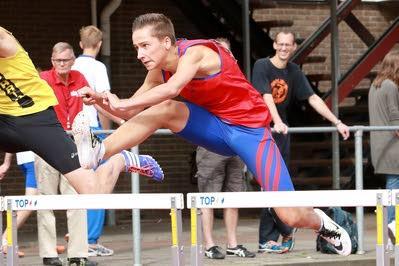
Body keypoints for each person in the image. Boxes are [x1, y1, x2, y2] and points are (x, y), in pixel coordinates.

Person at [73, 13, 352, 256]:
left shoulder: (196, 53)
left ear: (167, 42)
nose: (140, 54)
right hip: (213, 128)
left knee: (289, 214)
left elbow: (171, 90)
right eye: (136, 47)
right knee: (166, 109)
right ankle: (100, 151)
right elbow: (129, 114)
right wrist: (100, 99)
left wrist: (121, 101)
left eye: (145, 46)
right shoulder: (158, 71)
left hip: (250, 132)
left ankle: (325, 224)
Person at [0, 25, 163, 264]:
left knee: (92, 194)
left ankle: (120, 160)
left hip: (34, 119)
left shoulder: (3, 37)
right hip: (4, 119)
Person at [251, 31, 350, 254]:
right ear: (274, 45)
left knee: (281, 186)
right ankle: (269, 237)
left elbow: (312, 98)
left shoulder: (294, 71)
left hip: (281, 133)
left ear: (294, 47)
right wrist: (275, 120)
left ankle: (284, 231)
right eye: (281, 44)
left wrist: (337, 121)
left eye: (288, 45)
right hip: (261, 130)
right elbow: (266, 95)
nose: (284, 48)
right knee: (268, 184)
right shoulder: (262, 66)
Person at [36, 42, 97, 266]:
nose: (62, 64)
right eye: (58, 60)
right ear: (52, 61)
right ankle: (49, 255)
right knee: (46, 201)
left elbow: (92, 100)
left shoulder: (79, 77)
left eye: (66, 60)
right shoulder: (42, 79)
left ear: (73, 60)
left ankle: (78, 254)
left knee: (77, 200)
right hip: (47, 143)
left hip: (74, 145)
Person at [194, 37, 255, 259]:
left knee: (234, 195)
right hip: (211, 146)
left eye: (227, 53)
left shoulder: (237, 78)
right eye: (219, 52)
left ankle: (232, 243)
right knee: (208, 197)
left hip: (235, 145)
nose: (223, 57)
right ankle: (209, 244)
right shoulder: (200, 79)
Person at [71, 25, 119, 257]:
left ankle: (77, 236)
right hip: (91, 130)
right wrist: (110, 134)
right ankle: (90, 239)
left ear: (80, 44)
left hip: (71, 129)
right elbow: (102, 103)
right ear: (99, 45)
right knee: (98, 183)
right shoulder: (98, 67)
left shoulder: (72, 64)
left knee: (77, 186)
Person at [0, 152, 66, 259]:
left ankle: (49, 244)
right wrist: (6, 163)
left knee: (39, 201)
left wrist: (6, 163)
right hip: (33, 160)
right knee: (31, 203)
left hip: (26, 159)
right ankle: (4, 240)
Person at [368, 51, 399, 244]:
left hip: (379, 147)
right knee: (394, 188)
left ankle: (391, 231)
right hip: (393, 147)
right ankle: (392, 233)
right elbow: (395, 120)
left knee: (392, 187)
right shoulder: (391, 86)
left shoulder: (375, 85)